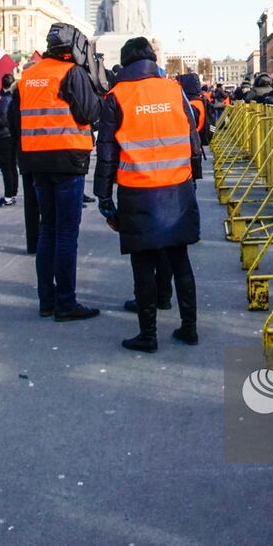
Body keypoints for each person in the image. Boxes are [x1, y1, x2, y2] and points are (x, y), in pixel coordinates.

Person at [94, 38, 202, 352]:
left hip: (137, 191)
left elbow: (107, 154)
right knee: (180, 261)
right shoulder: (173, 90)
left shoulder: (117, 96)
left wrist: (104, 197)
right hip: (177, 188)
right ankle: (189, 328)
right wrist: (193, 179)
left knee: (143, 264)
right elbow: (192, 137)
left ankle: (148, 334)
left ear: (126, 63)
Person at [12, 23, 101, 320]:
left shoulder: (29, 75)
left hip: (36, 161)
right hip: (67, 159)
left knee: (46, 230)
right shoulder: (71, 73)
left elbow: (15, 120)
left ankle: (46, 300)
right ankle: (66, 302)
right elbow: (90, 113)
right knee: (66, 234)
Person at [0, 73, 19, 208]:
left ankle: (8, 195)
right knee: (12, 166)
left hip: (5, 136)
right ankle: (12, 194)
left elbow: (3, 119)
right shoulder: (15, 97)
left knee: (7, 167)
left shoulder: (6, 99)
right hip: (12, 136)